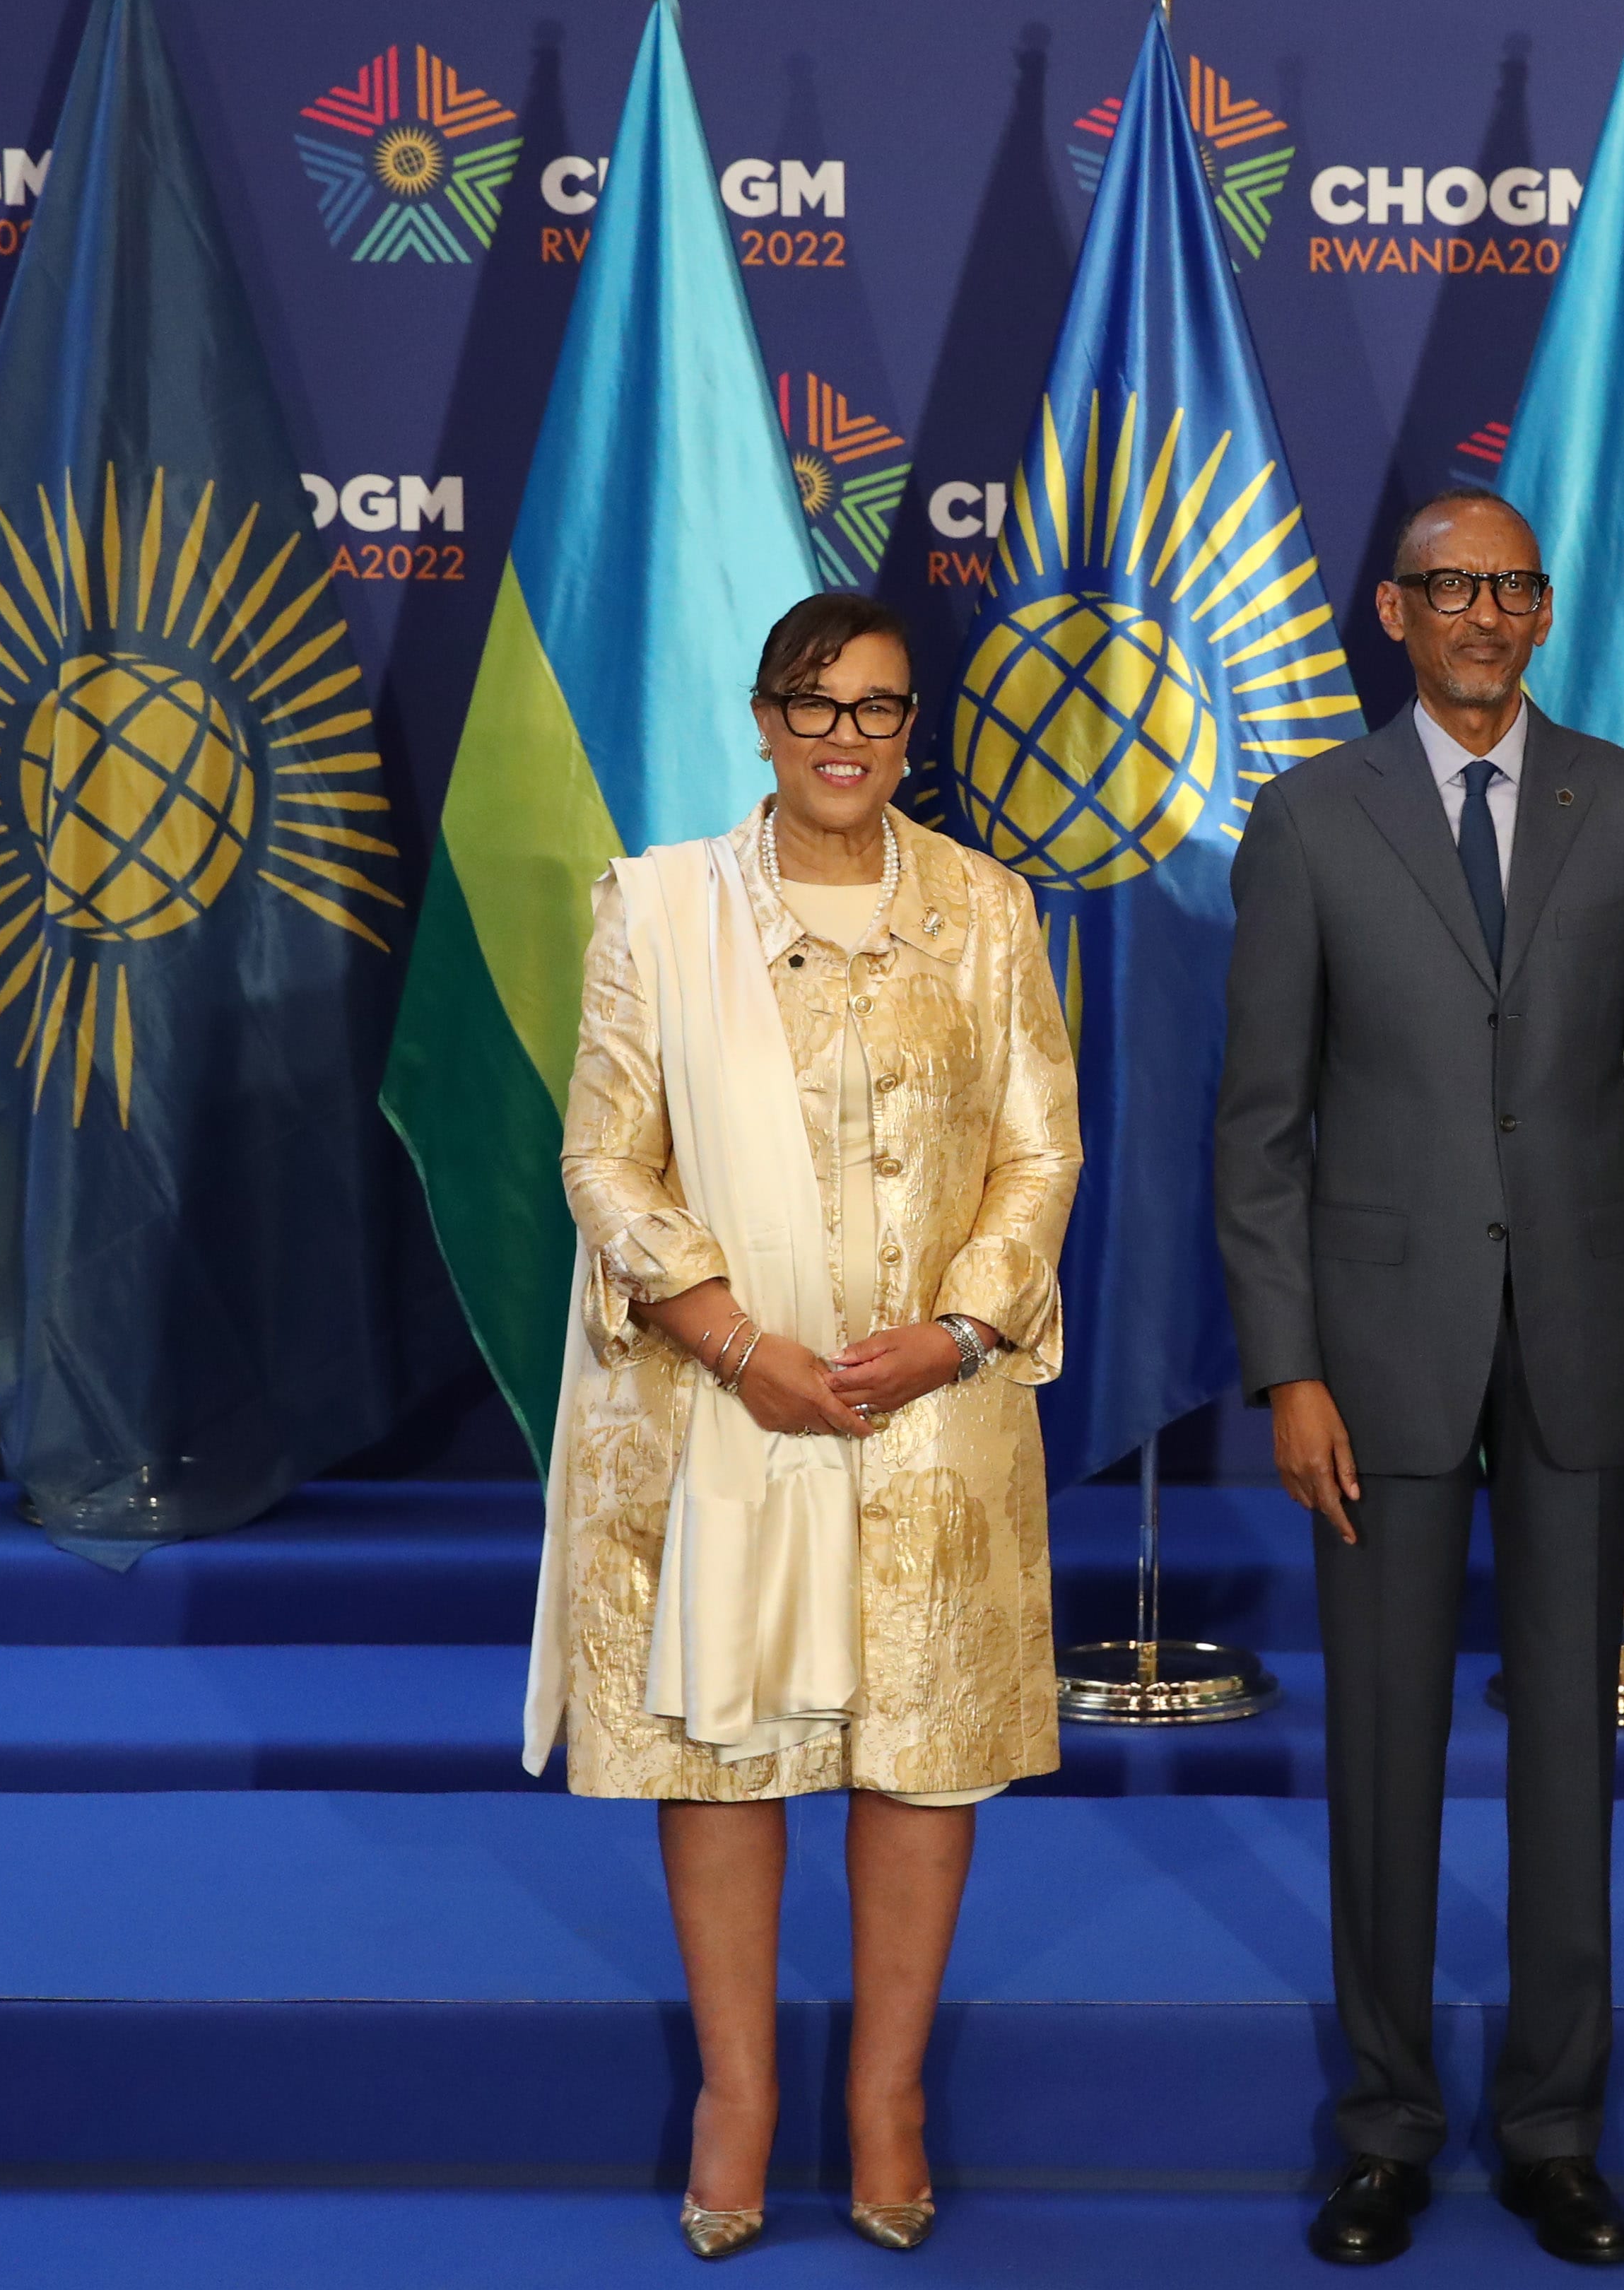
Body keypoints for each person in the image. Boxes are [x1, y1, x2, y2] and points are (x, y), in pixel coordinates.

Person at [519, 589, 1083, 2261]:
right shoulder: (659, 904)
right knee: (728, 1735)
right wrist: (729, 1333)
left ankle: (888, 2101)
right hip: (722, 1400)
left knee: (919, 1739)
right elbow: (602, 1158)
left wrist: (963, 1328)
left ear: (917, 732)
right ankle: (739, 2096)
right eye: (814, 705)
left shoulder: (988, 908)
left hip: (933, 1398)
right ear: (762, 719)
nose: (847, 737)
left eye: (880, 709)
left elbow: (1040, 1151)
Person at [1216, 491, 1624, 2269]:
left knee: (1567, 1765)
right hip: (1374, 1362)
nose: (1484, 615)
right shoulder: (1303, 820)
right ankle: (1382, 2128)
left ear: (1538, 607)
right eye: (1451, 588)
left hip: (1589, 1347)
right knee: (1381, 1752)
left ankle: (1550, 2130)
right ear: (1394, 610)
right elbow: (1260, 1130)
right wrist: (1285, 1363)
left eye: (1512, 586)